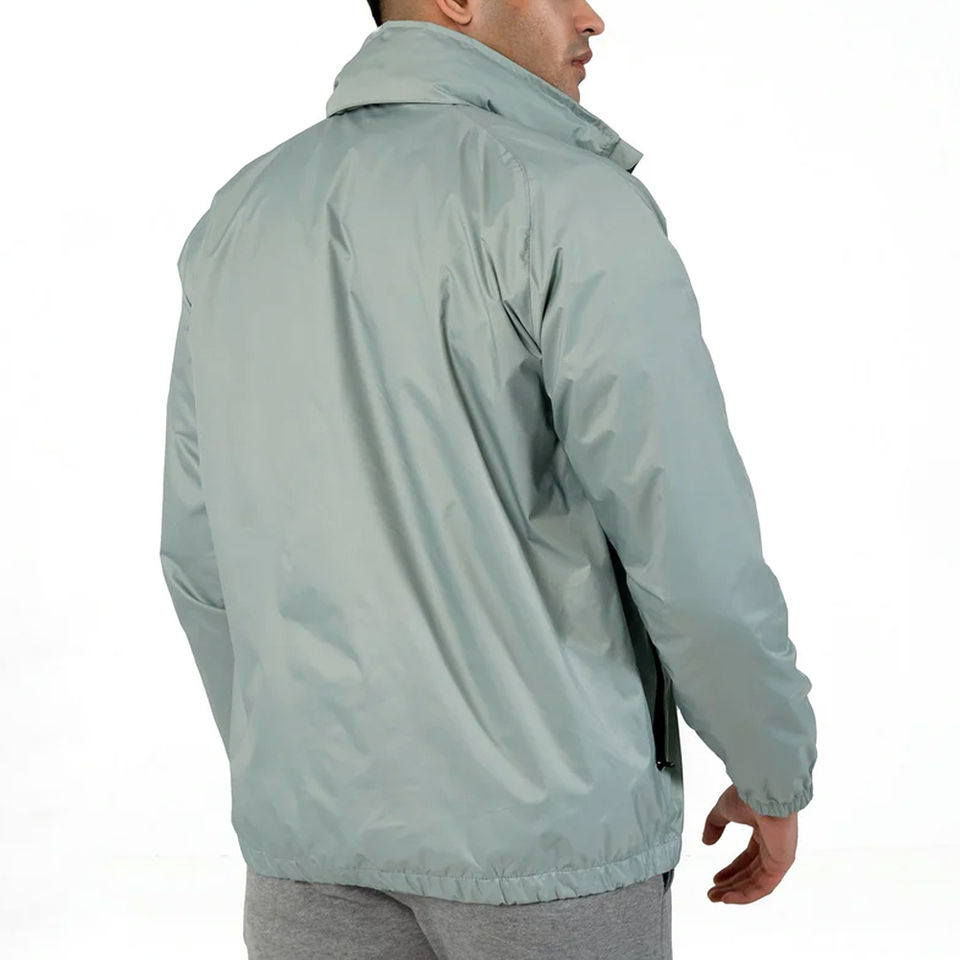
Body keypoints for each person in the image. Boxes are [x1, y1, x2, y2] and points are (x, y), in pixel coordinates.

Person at [158, 1, 818, 957]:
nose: (592, 16)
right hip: (550, 845)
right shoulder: (568, 202)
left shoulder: (242, 214)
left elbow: (201, 553)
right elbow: (686, 538)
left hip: (310, 852)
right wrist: (770, 765)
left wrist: (302, 774)